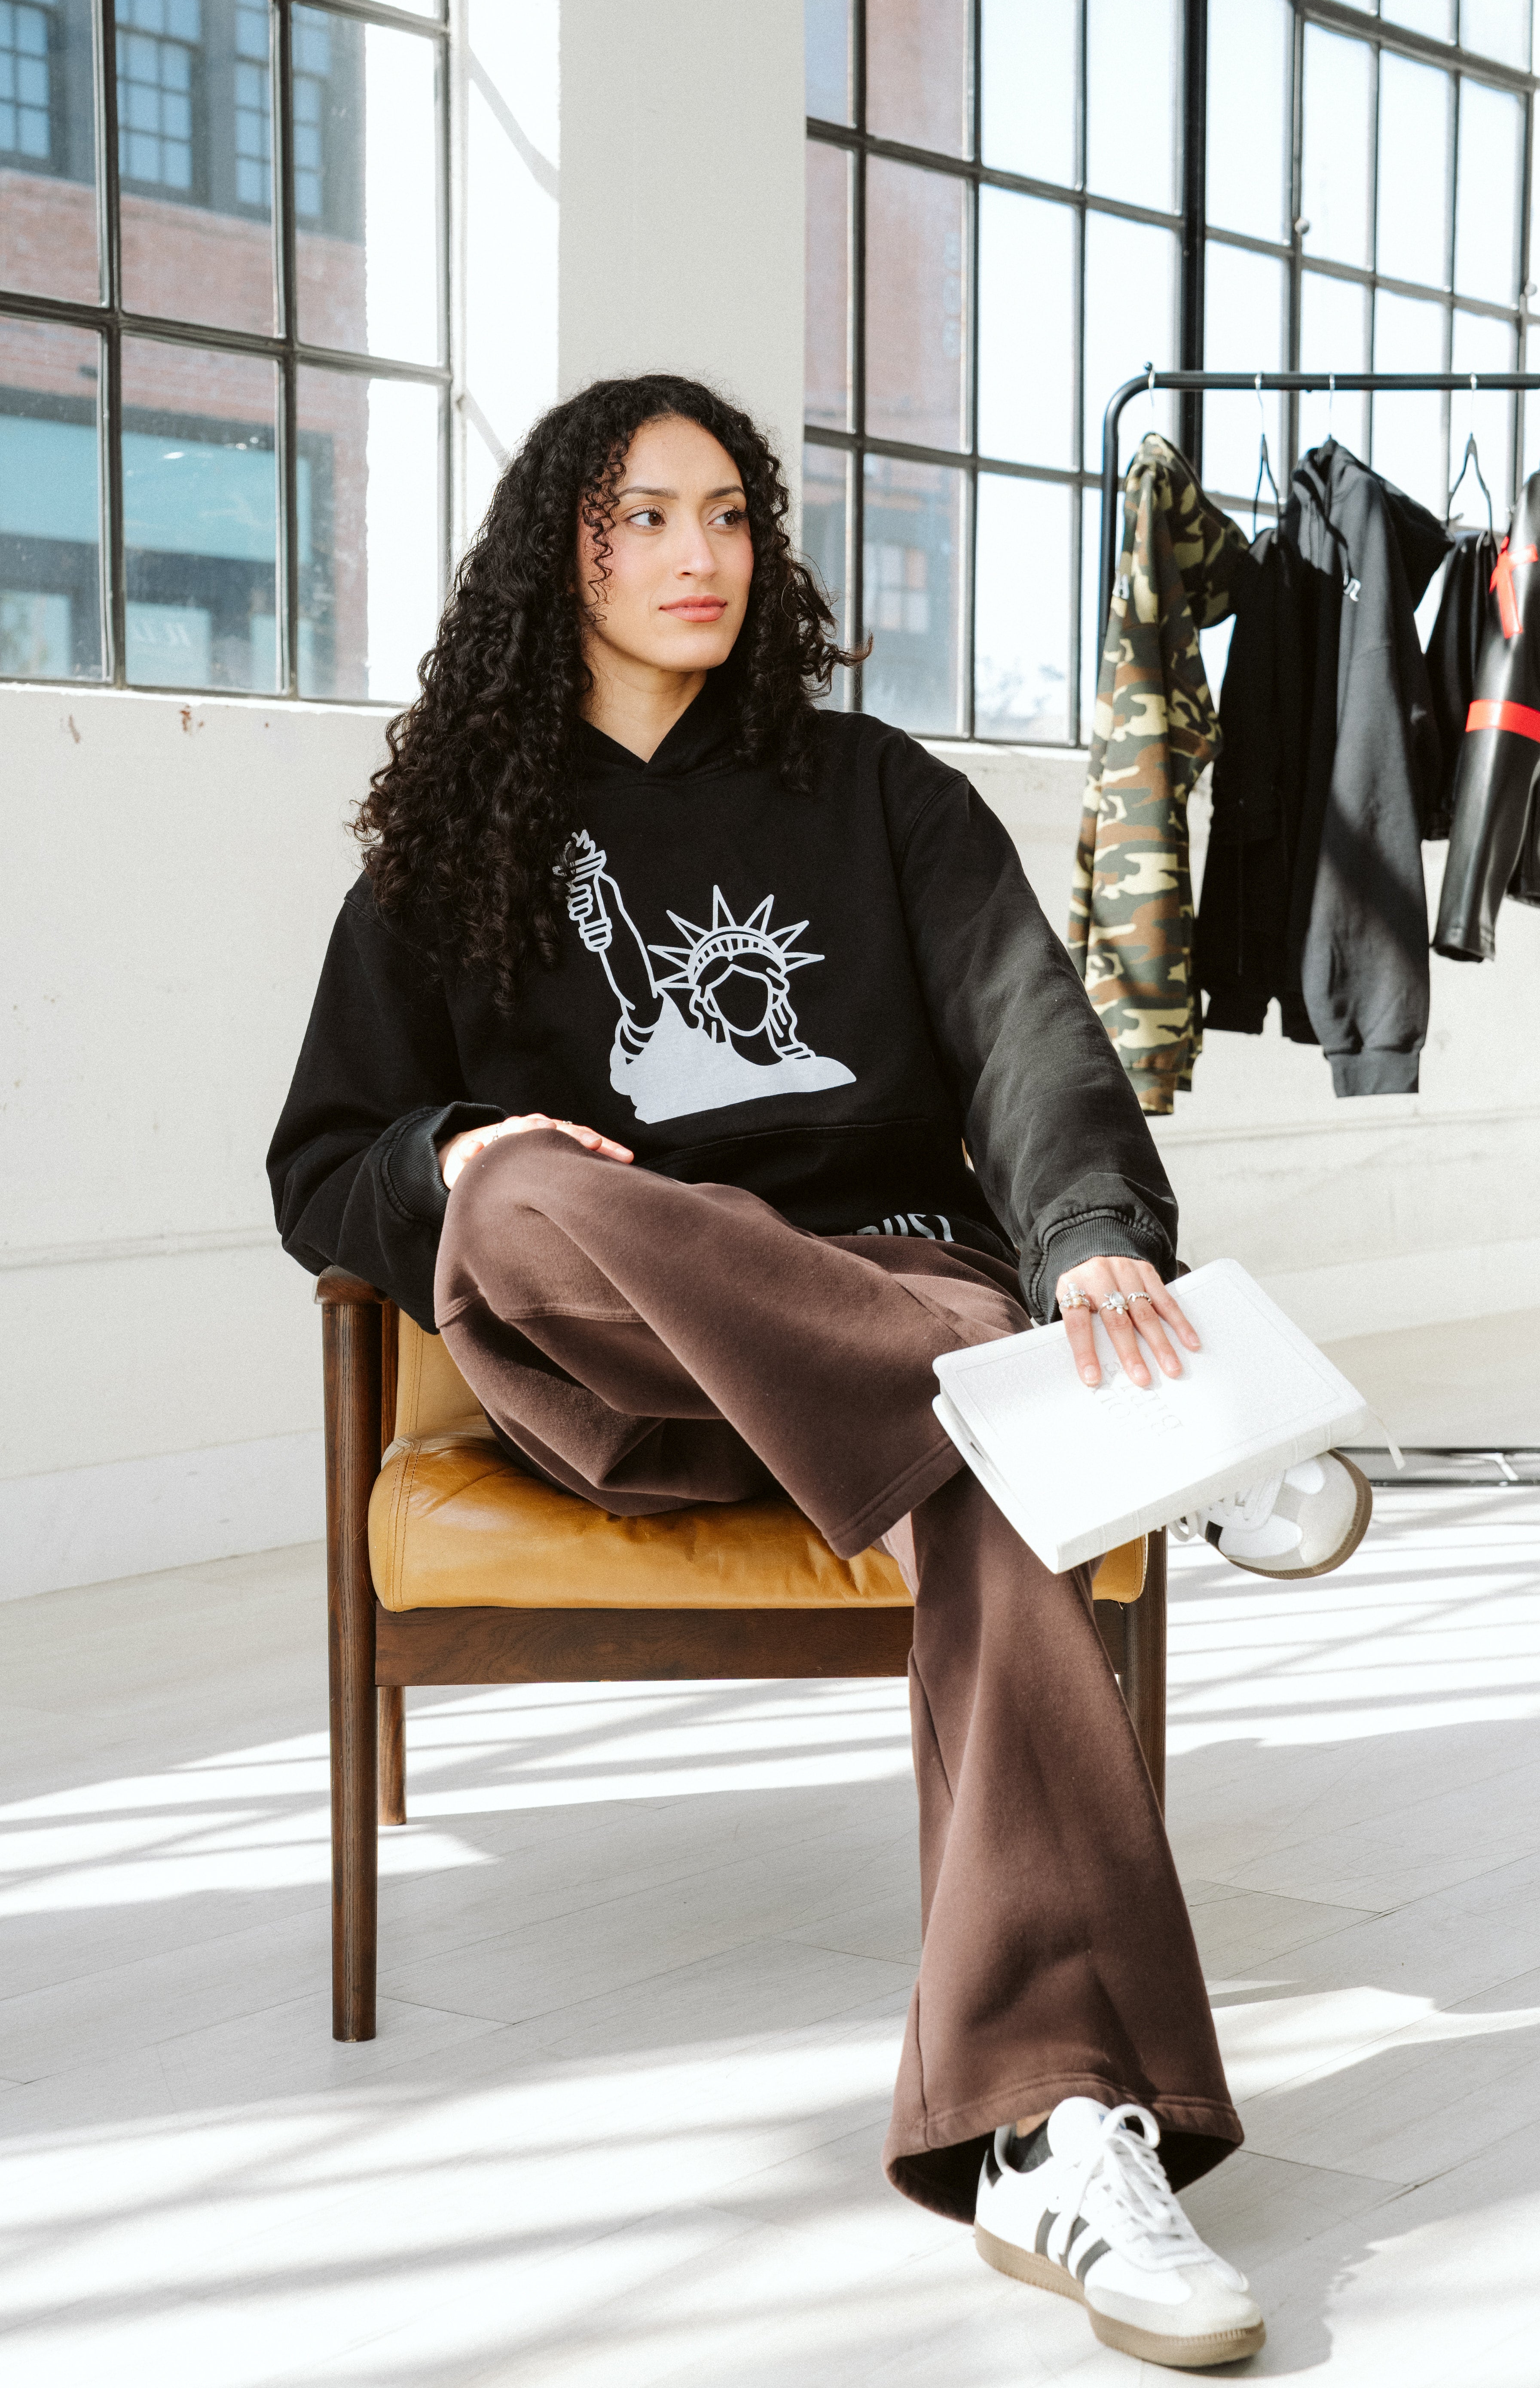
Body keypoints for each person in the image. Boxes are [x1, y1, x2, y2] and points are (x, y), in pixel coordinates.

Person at [272, 372, 1318, 2370]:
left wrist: (1092, 1237)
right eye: (643, 518)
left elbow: (1028, 1033)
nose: (697, 557)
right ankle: (1141, 1439)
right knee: (511, 1200)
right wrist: (456, 1152)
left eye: (730, 516)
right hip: (635, 1387)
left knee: (991, 1460)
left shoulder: (873, 790)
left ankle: (1051, 2126)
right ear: (553, 557)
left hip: (903, 1301)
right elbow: (324, 1167)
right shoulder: (454, 846)